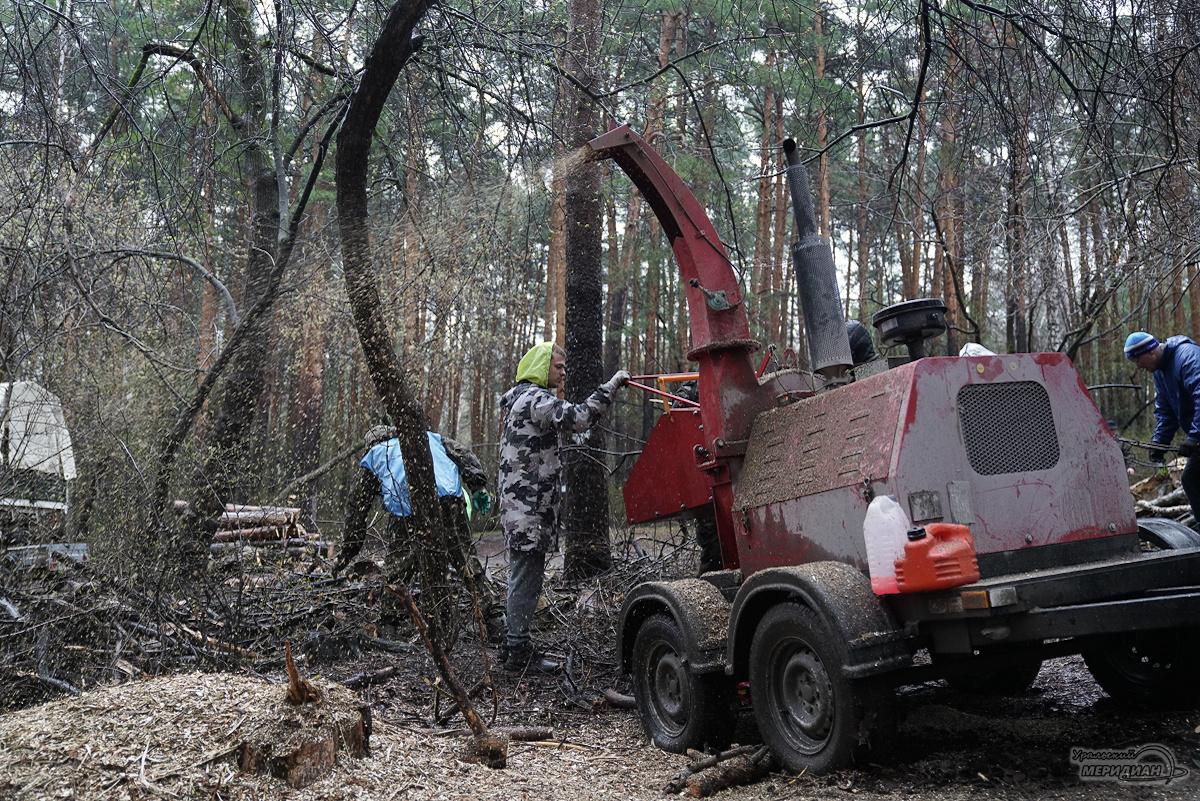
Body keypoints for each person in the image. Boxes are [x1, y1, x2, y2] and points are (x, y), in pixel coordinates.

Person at [499, 342, 629, 672]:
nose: (563, 372)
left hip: (524, 505)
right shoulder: (535, 399)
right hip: (528, 506)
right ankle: (517, 651)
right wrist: (610, 386)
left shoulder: (521, 399)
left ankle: (513, 642)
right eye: (558, 366)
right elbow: (580, 418)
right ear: (541, 367)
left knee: (523, 574)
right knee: (527, 576)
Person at [335, 426, 505, 643]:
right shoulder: (430, 438)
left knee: (398, 568)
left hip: (408, 507)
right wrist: (478, 486)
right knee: (465, 561)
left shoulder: (375, 454)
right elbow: (465, 455)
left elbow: (356, 505)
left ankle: (389, 627)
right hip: (450, 500)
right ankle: (496, 620)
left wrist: (349, 549)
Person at [1125, 331, 1200, 513]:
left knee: (1192, 476)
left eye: (1137, 360)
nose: (1137, 367)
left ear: (1150, 351)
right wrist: (1160, 442)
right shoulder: (1160, 373)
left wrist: (1195, 437)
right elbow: (1166, 412)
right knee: (1190, 478)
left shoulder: (1187, 357)